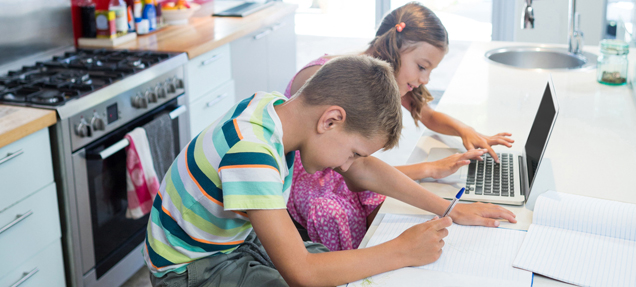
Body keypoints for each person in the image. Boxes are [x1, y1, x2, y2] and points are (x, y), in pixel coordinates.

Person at [145, 55, 458, 286]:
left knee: (339, 268)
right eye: (352, 153)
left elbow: (361, 172)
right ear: (331, 120)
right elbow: (303, 273)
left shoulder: (274, 107)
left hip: (230, 241)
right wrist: (402, 251)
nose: (347, 166)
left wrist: (448, 208)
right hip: (189, 269)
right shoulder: (251, 152)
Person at [285, 2, 517, 251]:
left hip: (347, 171)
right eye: (421, 66)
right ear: (395, 48)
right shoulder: (333, 80)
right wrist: (431, 172)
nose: (425, 79)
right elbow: (355, 169)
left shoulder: (383, 76)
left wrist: (465, 130)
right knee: (343, 216)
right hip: (315, 181)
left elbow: (427, 114)